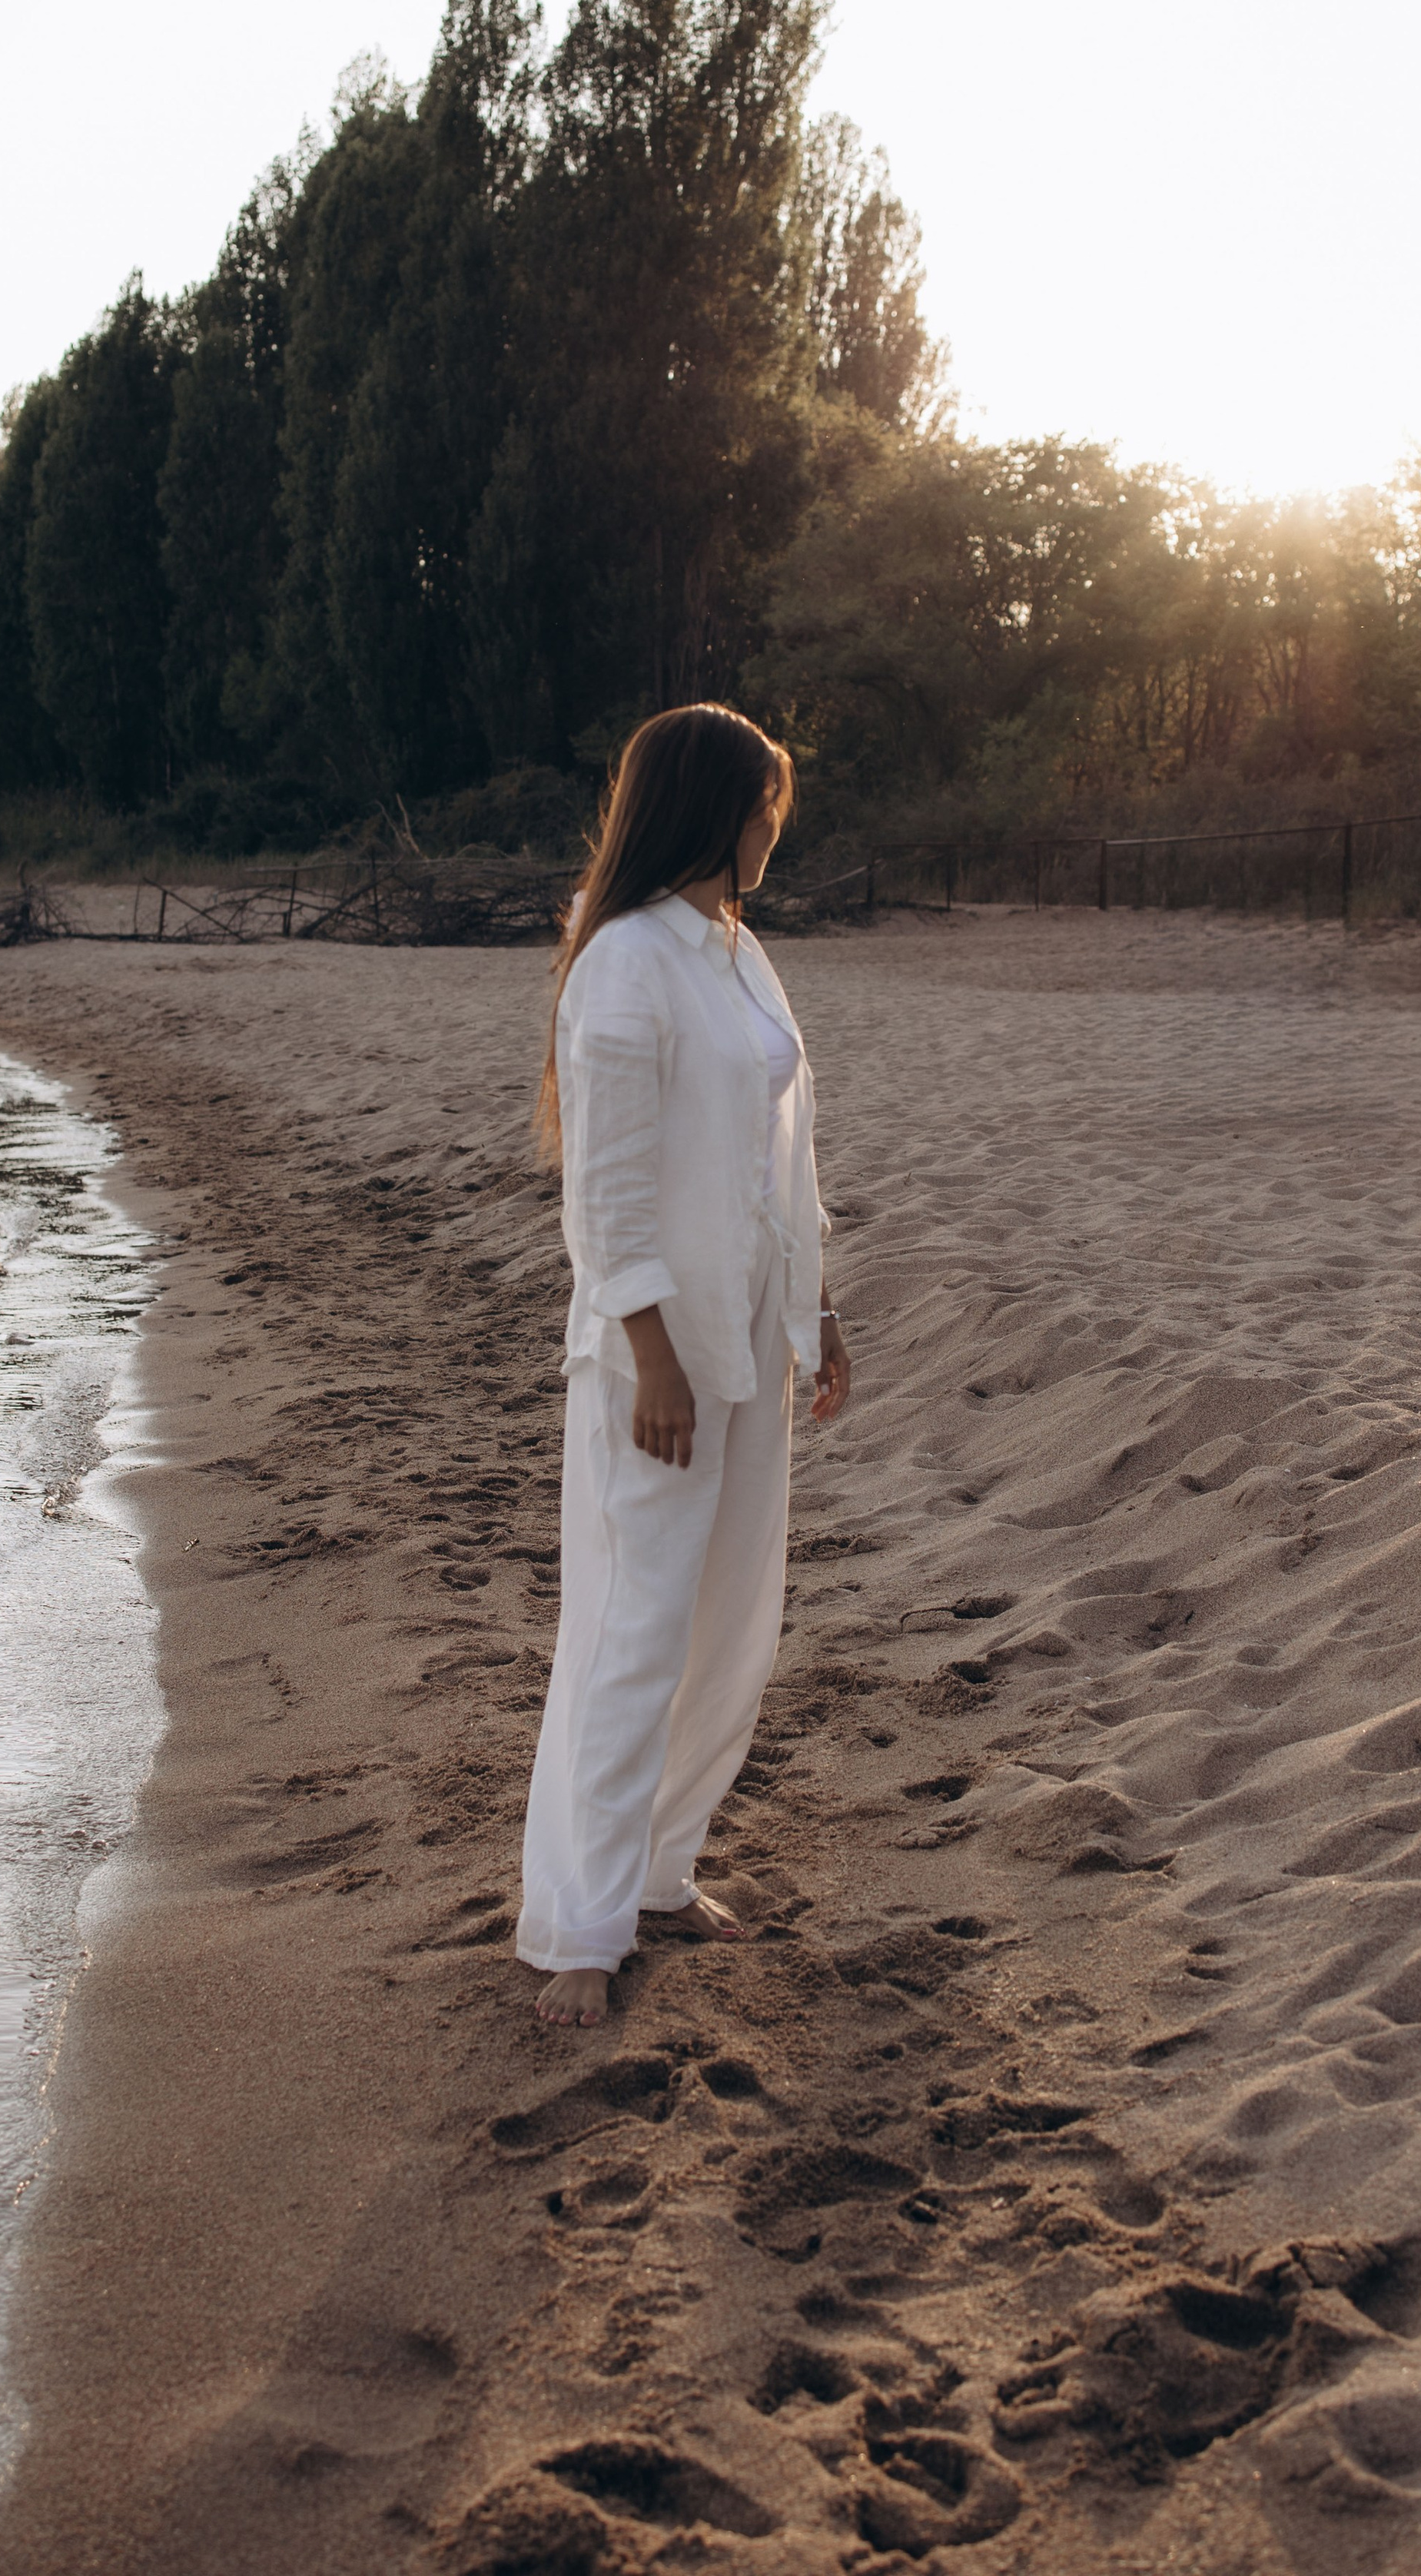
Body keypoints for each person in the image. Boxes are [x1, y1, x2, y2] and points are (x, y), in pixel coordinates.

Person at [517, 702, 849, 2030]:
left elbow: (788, 1155)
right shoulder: (626, 965)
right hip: (658, 1353)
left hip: (754, 1335)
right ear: (719, 805)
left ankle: (660, 1869)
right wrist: (649, 1351)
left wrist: (819, 1308)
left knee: (730, 1619)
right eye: (768, 799)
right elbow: (604, 1193)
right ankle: (576, 1929)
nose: (779, 822)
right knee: (631, 1626)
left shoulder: (741, 953)